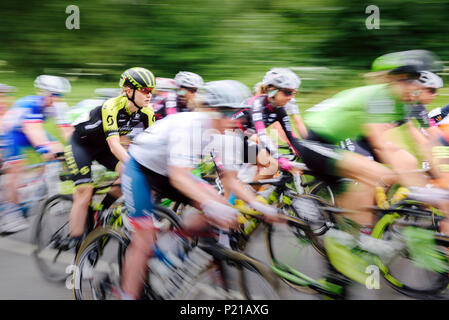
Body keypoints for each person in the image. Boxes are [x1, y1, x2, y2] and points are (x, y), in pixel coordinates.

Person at [119, 79, 283, 300]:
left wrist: (259, 206)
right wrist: (210, 205)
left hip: (171, 171)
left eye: (235, 113)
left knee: (221, 205)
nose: (230, 119)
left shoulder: (229, 135)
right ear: (209, 109)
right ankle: (127, 294)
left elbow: (232, 181)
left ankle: (173, 244)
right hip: (142, 169)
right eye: (224, 112)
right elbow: (179, 176)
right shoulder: (189, 126)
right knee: (144, 238)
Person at [299, 59, 435, 230]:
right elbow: (380, 144)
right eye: (409, 83)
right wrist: (419, 189)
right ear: (394, 81)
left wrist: (434, 168)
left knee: (408, 162)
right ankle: (351, 233)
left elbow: (411, 139)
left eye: (417, 84)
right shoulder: (380, 98)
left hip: (347, 137)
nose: (414, 89)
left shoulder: (403, 104)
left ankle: (367, 217)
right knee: (378, 174)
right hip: (320, 140)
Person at [60, 67, 156, 250]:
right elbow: (115, 145)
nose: (149, 94)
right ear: (129, 91)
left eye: (151, 90)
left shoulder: (147, 112)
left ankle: (102, 212)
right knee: (85, 191)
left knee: (126, 178)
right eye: (144, 90)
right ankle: (75, 236)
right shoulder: (111, 106)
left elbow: (151, 144)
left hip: (103, 147)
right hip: (81, 145)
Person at [0, 76, 70, 233]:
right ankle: (9, 215)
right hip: (12, 134)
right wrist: (46, 148)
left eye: (59, 95)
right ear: (43, 92)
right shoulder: (31, 103)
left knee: (59, 152)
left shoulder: (58, 106)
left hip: (31, 131)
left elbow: (66, 130)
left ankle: (51, 193)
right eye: (53, 94)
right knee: (16, 168)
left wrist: (74, 148)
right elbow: (33, 131)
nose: (56, 99)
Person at [232, 68, 304, 182]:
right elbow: (261, 134)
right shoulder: (257, 104)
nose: (291, 97)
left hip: (246, 139)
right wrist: (279, 158)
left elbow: (291, 137)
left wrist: (307, 154)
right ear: (272, 90)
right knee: (272, 165)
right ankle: (236, 191)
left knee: (270, 169)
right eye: (287, 92)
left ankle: (247, 191)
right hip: (230, 139)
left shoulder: (280, 110)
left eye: (294, 93)